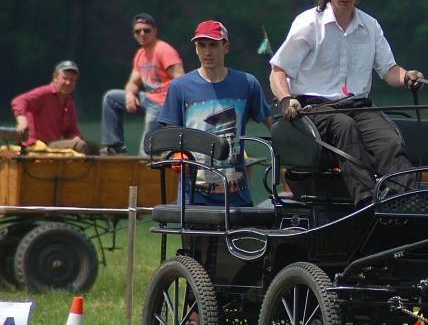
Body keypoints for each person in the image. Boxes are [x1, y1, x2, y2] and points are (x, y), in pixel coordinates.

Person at [269, 0, 424, 207]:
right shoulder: (308, 23)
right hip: (315, 108)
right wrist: (287, 100)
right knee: (344, 127)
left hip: (358, 105)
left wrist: (407, 76)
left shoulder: (370, 26)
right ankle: (367, 201)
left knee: (390, 141)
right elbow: (278, 71)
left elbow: (389, 71)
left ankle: (404, 200)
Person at [159, 20, 272, 206]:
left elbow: (272, 125)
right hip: (192, 199)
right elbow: (170, 137)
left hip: (236, 197)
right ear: (196, 49)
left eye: (213, 45)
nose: (207, 52)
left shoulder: (247, 83)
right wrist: (177, 155)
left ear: (225, 47)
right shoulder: (179, 87)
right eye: (201, 45)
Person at [101, 13, 184, 155]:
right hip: (149, 99)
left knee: (145, 153)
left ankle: (148, 160)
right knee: (111, 98)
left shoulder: (163, 50)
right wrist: (129, 95)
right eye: (137, 31)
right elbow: (132, 82)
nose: (142, 34)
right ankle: (115, 147)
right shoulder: (141, 54)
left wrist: (173, 112)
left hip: (163, 105)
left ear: (155, 31)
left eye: (146, 30)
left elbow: (181, 80)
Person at [11, 60, 99, 155]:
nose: (68, 83)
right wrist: (22, 122)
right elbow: (19, 101)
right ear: (55, 78)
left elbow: (72, 130)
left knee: (92, 146)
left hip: (53, 144)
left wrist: (76, 137)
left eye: (72, 80)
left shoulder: (69, 102)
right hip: (37, 145)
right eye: (65, 78)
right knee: (80, 146)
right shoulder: (45, 93)